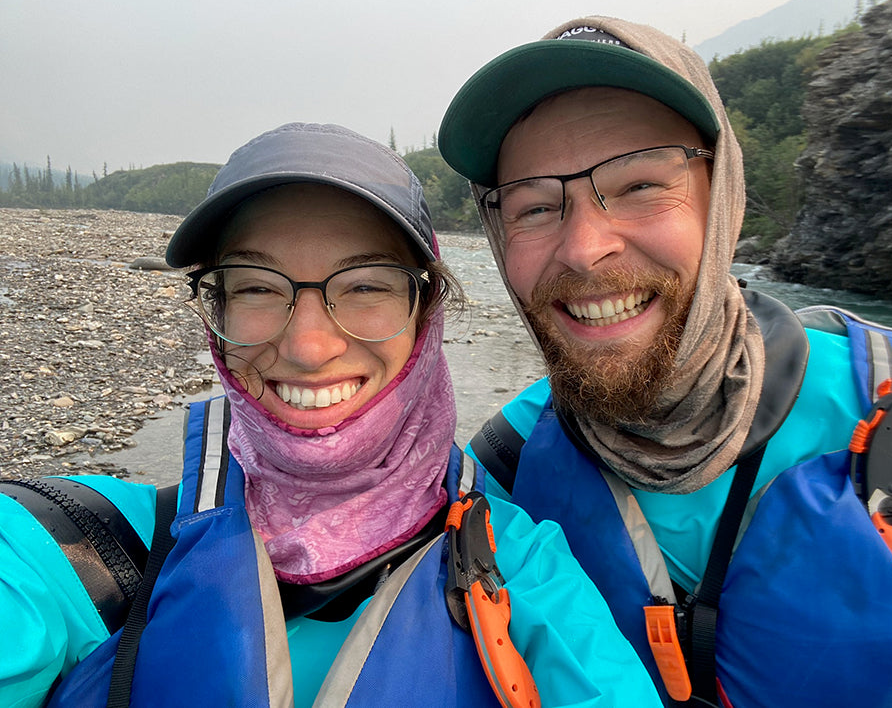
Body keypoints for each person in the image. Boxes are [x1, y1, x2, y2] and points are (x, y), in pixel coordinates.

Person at [438, 16, 892, 708]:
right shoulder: (500, 476)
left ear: (722, 195)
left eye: (640, 185)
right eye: (535, 206)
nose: (585, 248)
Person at [0, 122, 661, 706]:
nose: (309, 347)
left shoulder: (528, 581)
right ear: (215, 311)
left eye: (367, 285)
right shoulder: (96, 548)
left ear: (426, 313)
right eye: (257, 287)